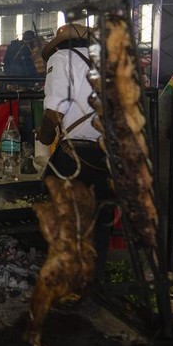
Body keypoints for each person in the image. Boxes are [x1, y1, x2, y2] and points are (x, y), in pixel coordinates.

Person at [36, 23, 112, 279]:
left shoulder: (61, 58)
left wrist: (44, 134)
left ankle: (64, 281)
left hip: (74, 156)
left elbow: (55, 108)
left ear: (59, 44)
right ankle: (95, 281)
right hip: (106, 156)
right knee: (99, 222)